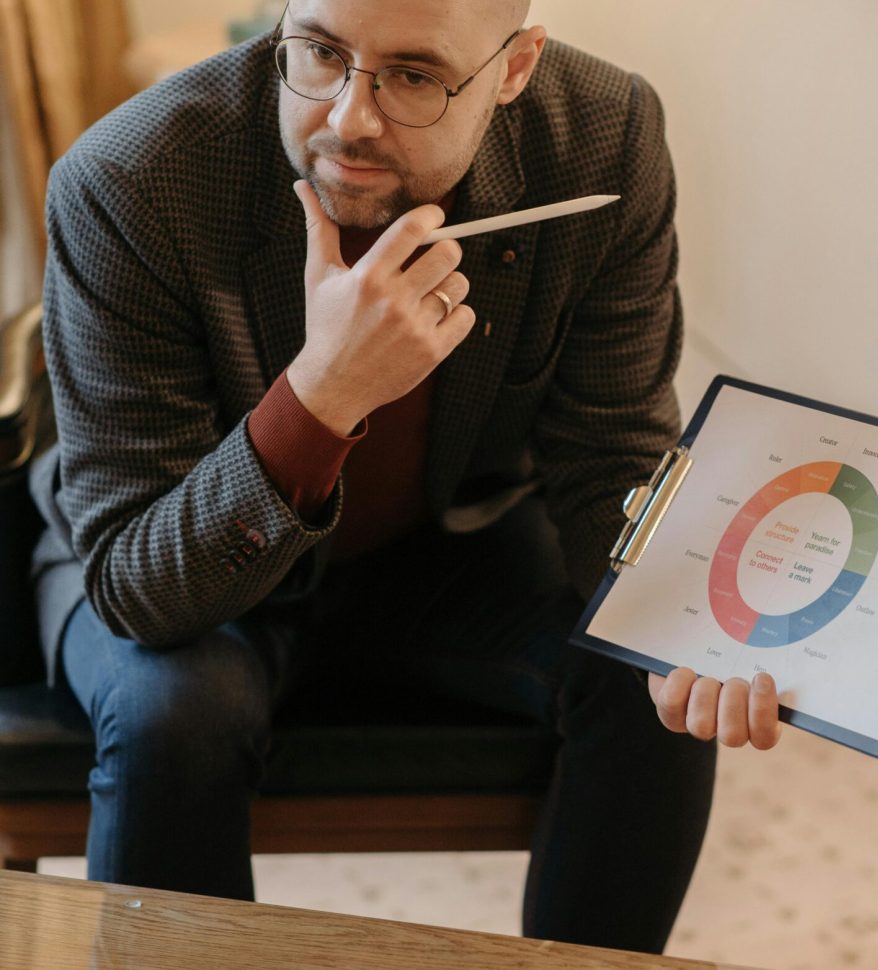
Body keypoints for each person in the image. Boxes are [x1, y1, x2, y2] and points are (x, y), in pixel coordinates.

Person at [30, 0, 781, 954]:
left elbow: (610, 455)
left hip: (446, 537)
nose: (348, 117)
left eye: (415, 76)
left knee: (645, 671)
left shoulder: (601, 134)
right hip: (179, 552)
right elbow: (139, 589)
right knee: (174, 715)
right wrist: (321, 398)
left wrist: (693, 634)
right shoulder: (130, 177)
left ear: (513, 70)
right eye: (319, 53)